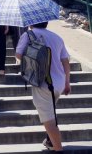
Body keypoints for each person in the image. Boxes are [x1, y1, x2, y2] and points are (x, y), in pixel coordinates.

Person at [15, 22, 71, 152]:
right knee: (50, 112)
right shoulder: (57, 37)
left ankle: (58, 149)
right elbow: (65, 61)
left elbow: (18, 55)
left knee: (48, 119)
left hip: (43, 82)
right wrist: (67, 82)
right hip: (59, 82)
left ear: (31, 23)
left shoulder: (28, 35)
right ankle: (50, 141)